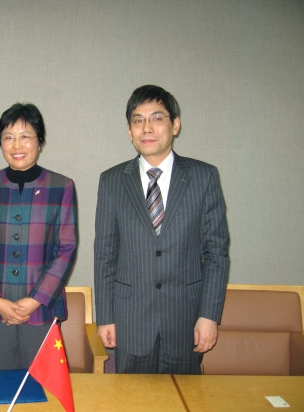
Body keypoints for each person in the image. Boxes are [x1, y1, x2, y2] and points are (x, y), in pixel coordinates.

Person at [94, 85, 229, 374]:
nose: (147, 127)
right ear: (129, 131)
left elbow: (216, 254)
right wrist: (104, 316)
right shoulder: (112, 181)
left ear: (175, 124)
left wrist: (209, 316)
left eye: (156, 118)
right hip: (130, 322)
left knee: (183, 400)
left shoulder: (204, 177)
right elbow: (105, 255)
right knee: (131, 401)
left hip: (185, 320)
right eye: (137, 120)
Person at [0, 103, 77, 369]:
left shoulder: (61, 186)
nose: (17, 145)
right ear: (0, 142)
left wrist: (35, 299)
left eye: (25, 136)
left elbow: (66, 248)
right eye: (9, 137)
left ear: (39, 141)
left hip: (41, 307)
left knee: (39, 385)